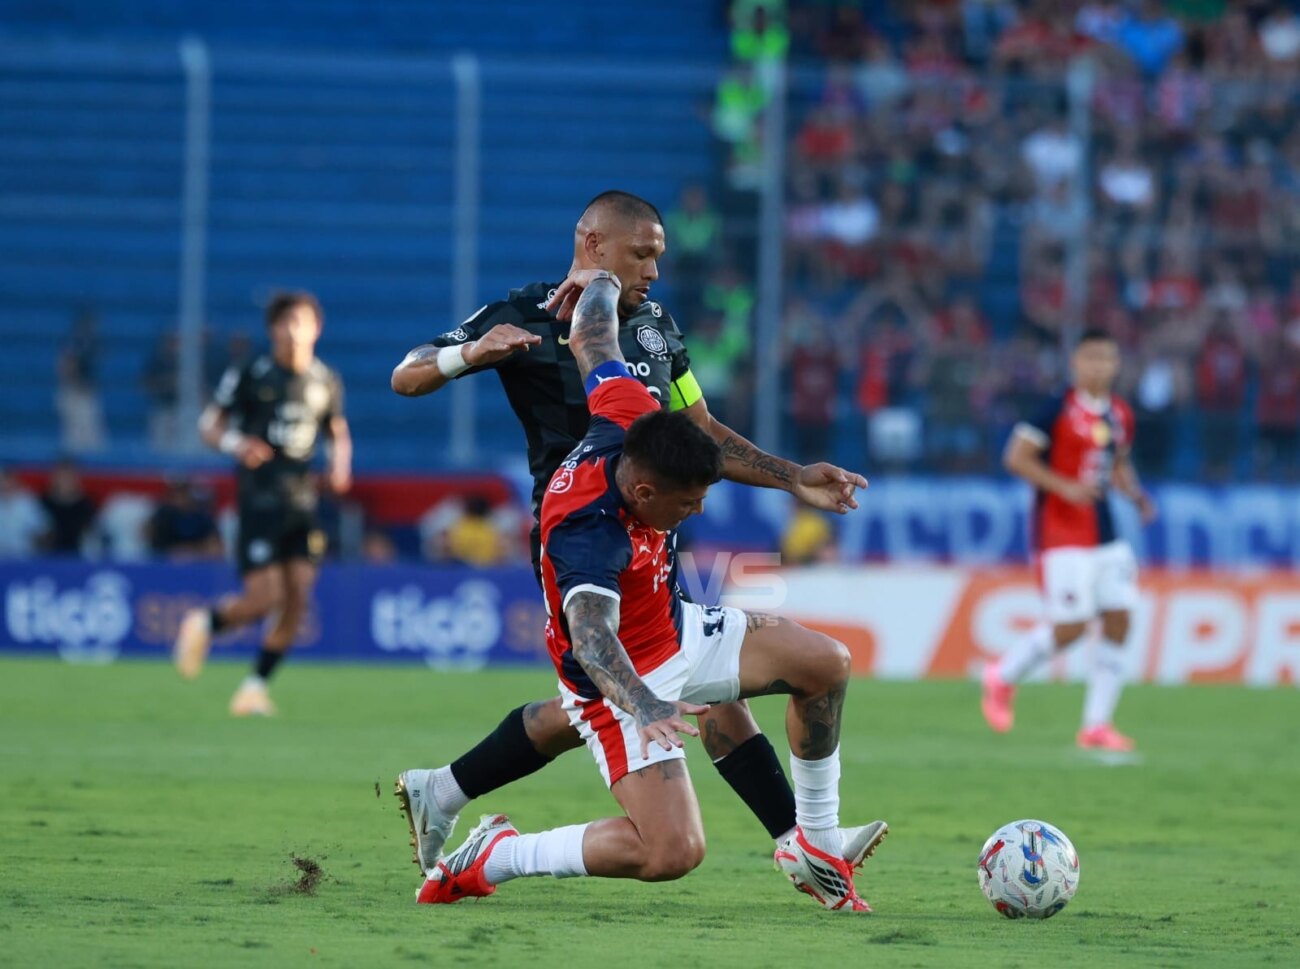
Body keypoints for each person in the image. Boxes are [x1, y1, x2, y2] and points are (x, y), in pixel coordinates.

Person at [390, 191, 878, 887]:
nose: (654, 270)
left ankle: (442, 789)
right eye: (642, 254)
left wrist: (792, 476)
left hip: (655, 524)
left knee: (676, 687)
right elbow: (406, 374)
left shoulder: (653, 326)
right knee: (613, 687)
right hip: (583, 539)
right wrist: (468, 353)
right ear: (593, 244)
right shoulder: (524, 314)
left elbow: (700, 432)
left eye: (659, 256)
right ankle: (797, 843)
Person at [172, 292, 351, 717]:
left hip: (302, 502)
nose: (293, 331)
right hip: (259, 500)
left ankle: (254, 688)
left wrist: (340, 467)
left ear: (317, 328)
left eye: (301, 322)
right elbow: (210, 426)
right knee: (263, 599)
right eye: (285, 322)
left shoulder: (326, 379)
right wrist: (238, 444)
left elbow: (337, 430)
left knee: (297, 597)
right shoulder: (252, 371)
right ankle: (205, 623)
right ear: (272, 329)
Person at [982, 329, 1156, 752]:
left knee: (1120, 618)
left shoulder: (1119, 413)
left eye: (1106, 358)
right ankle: (1002, 675)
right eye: (1091, 357)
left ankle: (1096, 725)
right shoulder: (1055, 409)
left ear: (1116, 364)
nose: (1099, 366)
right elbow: (1016, 458)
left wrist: (1135, 495)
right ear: (1075, 362)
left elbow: (1117, 462)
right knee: (1072, 626)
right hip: (1060, 533)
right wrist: (1065, 487)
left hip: (1106, 533)